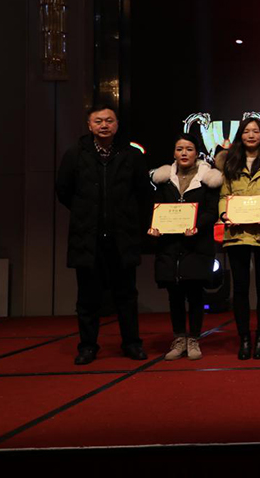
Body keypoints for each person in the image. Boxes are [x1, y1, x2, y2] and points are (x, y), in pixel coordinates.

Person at [56, 104, 151, 365]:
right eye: (98, 121)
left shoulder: (131, 155)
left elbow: (143, 193)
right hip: (88, 237)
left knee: (126, 295)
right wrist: (86, 213)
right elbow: (63, 191)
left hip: (123, 236)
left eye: (109, 120)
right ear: (89, 125)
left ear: (117, 124)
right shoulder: (75, 154)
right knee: (88, 297)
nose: (104, 125)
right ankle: (88, 346)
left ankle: (132, 343)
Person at [216, 117, 260, 360]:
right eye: (246, 131)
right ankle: (244, 338)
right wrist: (224, 214)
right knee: (241, 288)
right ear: (241, 135)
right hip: (237, 234)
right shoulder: (230, 162)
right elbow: (224, 196)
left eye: (256, 131)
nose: (251, 135)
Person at [149, 133, 222, 361]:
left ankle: (194, 339)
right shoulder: (163, 180)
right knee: (175, 295)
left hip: (197, 244)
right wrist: (155, 226)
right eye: (179, 149)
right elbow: (156, 208)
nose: (184, 153)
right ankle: (179, 338)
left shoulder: (209, 179)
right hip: (170, 246)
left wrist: (196, 225)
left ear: (196, 153)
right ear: (174, 153)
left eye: (189, 149)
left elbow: (212, 210)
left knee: (195, 293)